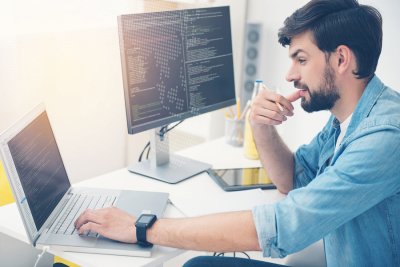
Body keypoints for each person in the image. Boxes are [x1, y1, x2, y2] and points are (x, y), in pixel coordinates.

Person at [75, 0, 400, 266]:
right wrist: (259, 125)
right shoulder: (348, 118)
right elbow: (293, 180)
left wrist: (144, 228)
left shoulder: (384, 138)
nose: (290, 75)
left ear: (341, 58)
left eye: (301, 60)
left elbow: (284, 227)